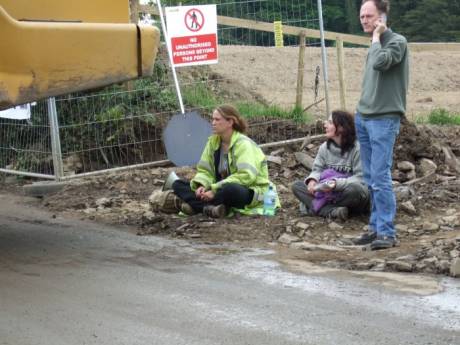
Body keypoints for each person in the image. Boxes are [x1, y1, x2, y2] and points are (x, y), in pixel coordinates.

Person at [354, 0, 409, 250]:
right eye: (362, 16)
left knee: (380, 176)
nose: (364, 20)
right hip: (364, 117)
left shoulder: (397, 42)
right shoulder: (373, 45)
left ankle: (387, 232)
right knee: (369, 176)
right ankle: (375, 228)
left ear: (382, 18)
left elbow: (380, 63)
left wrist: (377, 37)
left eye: (369, 16)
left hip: (384, 119)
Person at [171, 105, 278, 218]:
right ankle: (210, 209)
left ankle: (197, 206)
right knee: (177, 184)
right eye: (212, 119)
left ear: (230, 122)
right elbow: (205, 171)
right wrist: (202, 185)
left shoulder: (244, 144)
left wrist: (214, 190)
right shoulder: (213, 143)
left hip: (248, 191)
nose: (213, 123)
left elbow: (246, 176)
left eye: (217, 119)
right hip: (218, 189)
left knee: (230, 189)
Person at [291, 110, 369, 221]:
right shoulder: (324, 148)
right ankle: (334, 211)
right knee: (297, 186)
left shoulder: (358, 148)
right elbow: (317, 170)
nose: (325, 124)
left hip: (348, 193)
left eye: (330, 122)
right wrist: (312, 180)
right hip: (327, 193)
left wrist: (335, 184)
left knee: (354, 190)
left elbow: (361, 178)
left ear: (342, 128)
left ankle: (318, 209)